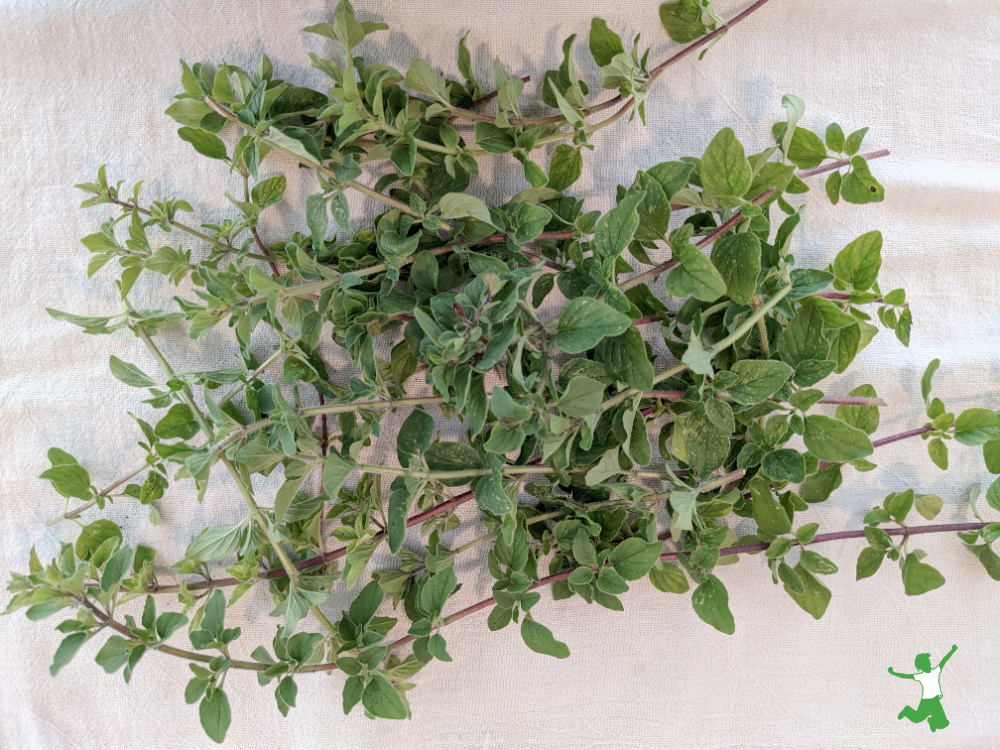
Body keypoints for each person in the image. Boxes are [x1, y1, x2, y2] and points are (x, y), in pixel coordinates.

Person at [887, 644, 957, 732]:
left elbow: (944, 660)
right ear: (921, 665)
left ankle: (932, 721)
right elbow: (905, 676)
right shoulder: (921, 676)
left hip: (935, 702)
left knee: (944, 723)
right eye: (926, 661)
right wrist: (893, 673)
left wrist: (952, 650)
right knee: (916, 719)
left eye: (928, 660)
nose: (929, 662)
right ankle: (906, 710)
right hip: (926, 703)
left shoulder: (936, 671)